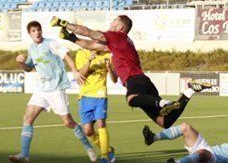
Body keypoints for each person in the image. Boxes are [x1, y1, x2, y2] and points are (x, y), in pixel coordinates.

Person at [52, 14, 211, 128]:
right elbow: (91, 45)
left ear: (120, 26)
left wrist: (62, 23)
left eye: (114, 21)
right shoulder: (121, 41)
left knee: (131, 99)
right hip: (143, 81)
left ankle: (165, 102)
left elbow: (87, 32)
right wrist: (70, 38)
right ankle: (189, 91)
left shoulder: (116, 36)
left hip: (135, 79)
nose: (111, 23)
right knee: (164, 122)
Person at [8, 21, 97, 163]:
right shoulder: (31, 48)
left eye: (38, 30)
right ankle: (24, 155)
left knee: (68, 122)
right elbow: (29, 68)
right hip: (41, 89)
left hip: (56, 88)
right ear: (29, 34)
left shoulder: (50, 43)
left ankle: (89, 148)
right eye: (33, 31)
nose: (37, 32)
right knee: (28, 117)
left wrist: (74, 71)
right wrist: (21, 63)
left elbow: (66, 56)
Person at [143, 118, 228, 163]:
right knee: (185, 127)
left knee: (203, 152)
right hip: (209, 150)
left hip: (214, 159)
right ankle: (153, 138)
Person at [75, 47, 118, 163]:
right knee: (88, 131)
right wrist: (89, 60)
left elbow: (115, 80)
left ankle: (105, 157)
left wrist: (109, 69)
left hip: (100, 95)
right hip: (85, 96)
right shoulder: (81, 53)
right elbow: (81, 75)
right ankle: (108, 149)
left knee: (101, 124)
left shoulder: (109, 55)